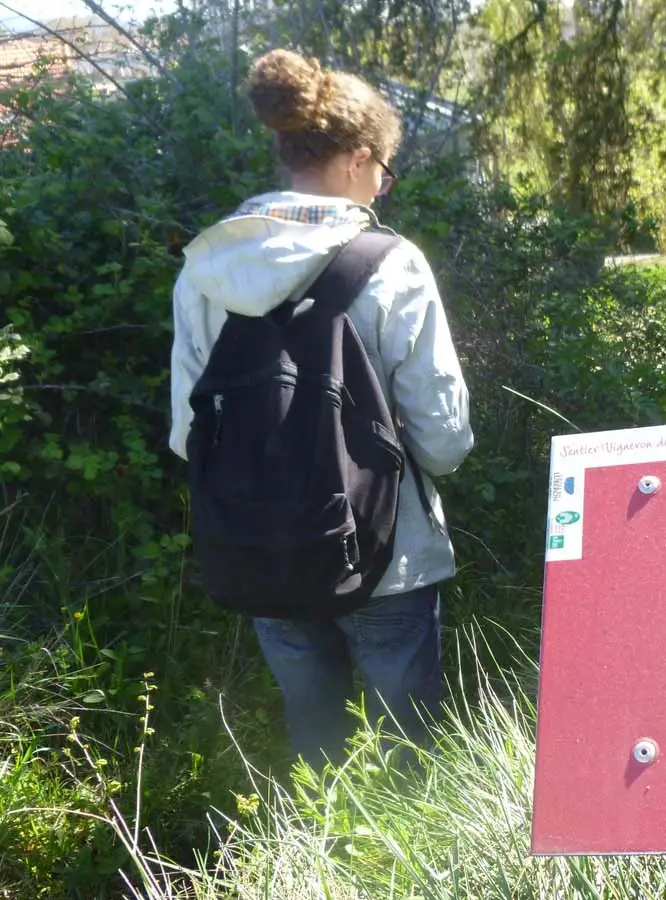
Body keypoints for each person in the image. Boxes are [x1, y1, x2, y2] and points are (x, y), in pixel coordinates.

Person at [166, 48, 474, 769]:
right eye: (384, 171)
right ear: (359, 157)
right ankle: (406, 836)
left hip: (260, 546)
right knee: (409, 751)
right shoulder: (391, 263)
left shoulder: (208, 266)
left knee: (314, 744)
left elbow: (188, 432)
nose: (382, 186)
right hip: (386, 550)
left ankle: (322, 837)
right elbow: (444, 437)